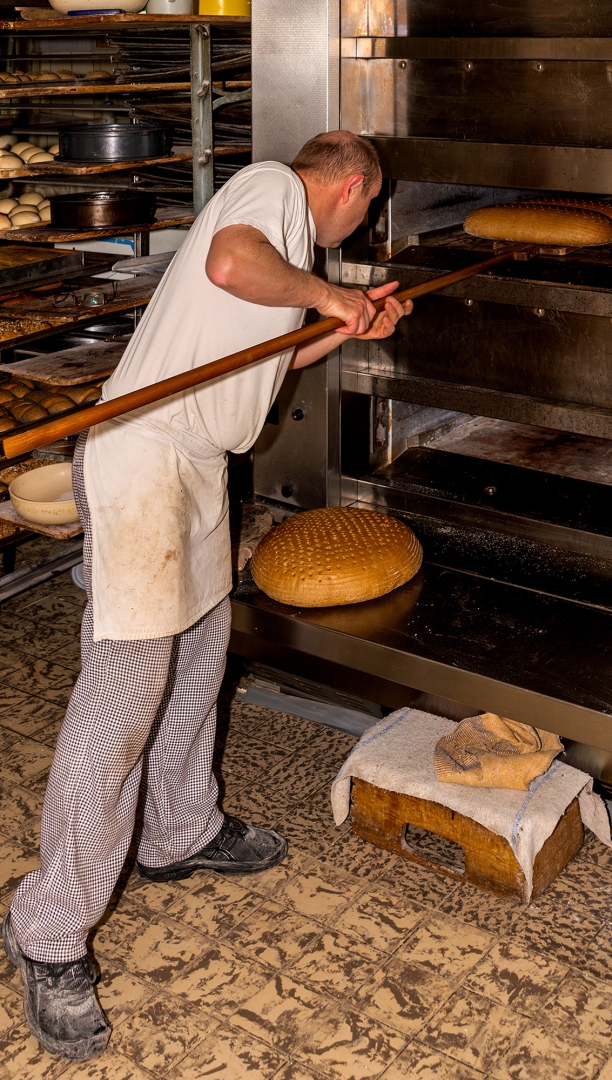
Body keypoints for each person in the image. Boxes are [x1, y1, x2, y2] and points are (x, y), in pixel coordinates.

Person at [2, 130, 412, 1062]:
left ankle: (179, 830)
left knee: (196, 664)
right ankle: (50, 931)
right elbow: (232, 267)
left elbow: (258, 351)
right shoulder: (270, 190)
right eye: (366, 210)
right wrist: (328, 293)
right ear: (351, 184)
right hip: (145, 455)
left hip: (195, 465)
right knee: (120, 703)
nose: (357, 226)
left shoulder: (290, 251)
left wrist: (341, 322)